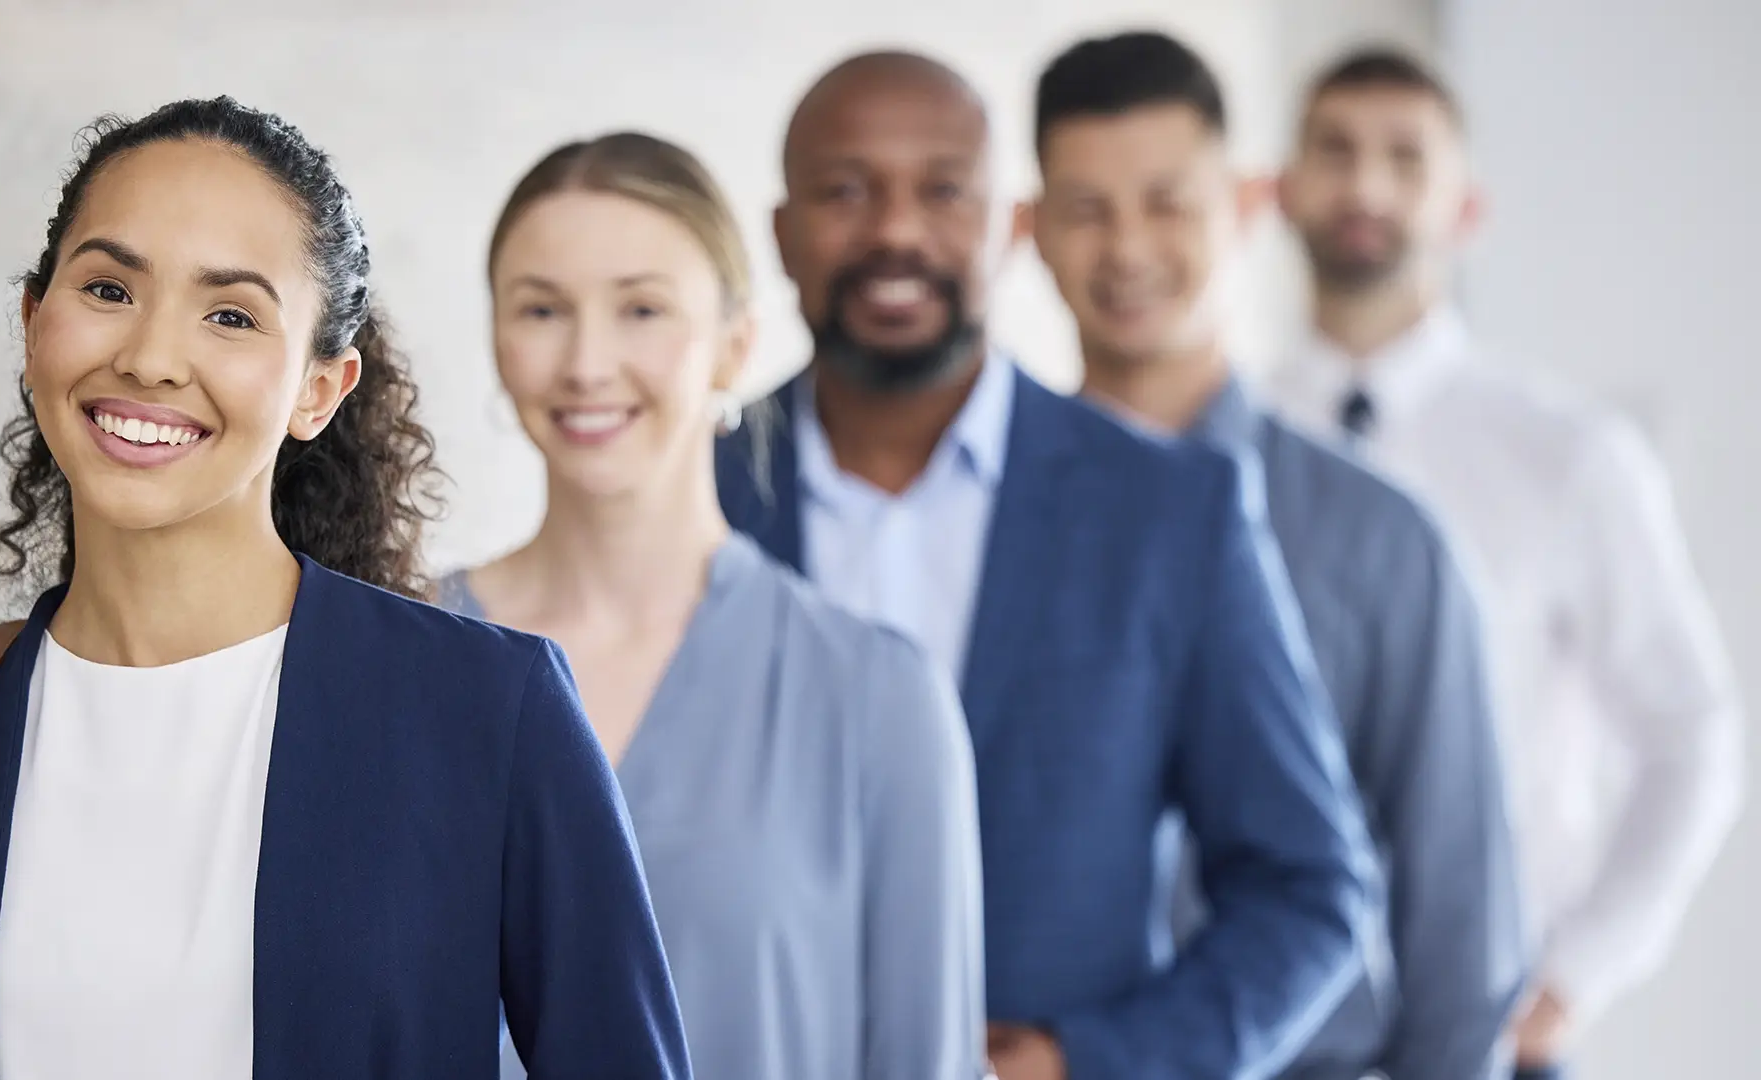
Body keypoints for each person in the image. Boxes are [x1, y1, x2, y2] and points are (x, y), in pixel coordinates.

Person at [0, 97, 690, 1080]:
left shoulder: (490, 717)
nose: (151, 358)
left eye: (231, 314)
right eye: (109, 289)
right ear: (35, 323)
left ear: (319, 390)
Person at [716, 50, 1379, 1080]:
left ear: (1006, 226)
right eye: (846, 191)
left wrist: (1093, 1065)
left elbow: (1311, 892)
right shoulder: (698, 495)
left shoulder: (1170, 515)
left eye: (942, 190)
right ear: (782, 233)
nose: (895, 231)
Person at [1024, 30, 1528, 1080]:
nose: (1126, 250)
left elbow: (1458, 924)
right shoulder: (988, 518)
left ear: (1249, 207)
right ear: (1029, 229)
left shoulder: (1384, 542)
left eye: (1168, 203)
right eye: (1086, 208)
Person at [439, 131, 985, 1080]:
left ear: (736, 344)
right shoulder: (399, 662)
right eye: (541, 309)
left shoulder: (875, 697)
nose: (586, 362)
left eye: (642, 308)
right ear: (495, 336)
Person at [1267, 48, 1746, 1080]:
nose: (1365, 186)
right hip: (1270, 1034)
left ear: (1466, 207)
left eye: (1405, 158)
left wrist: (1574, 977)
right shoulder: (1226, 455)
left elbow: (1692, 732)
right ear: (1282, 189)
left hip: (1492, 1040)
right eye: (1336, 151)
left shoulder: (1566, 455)